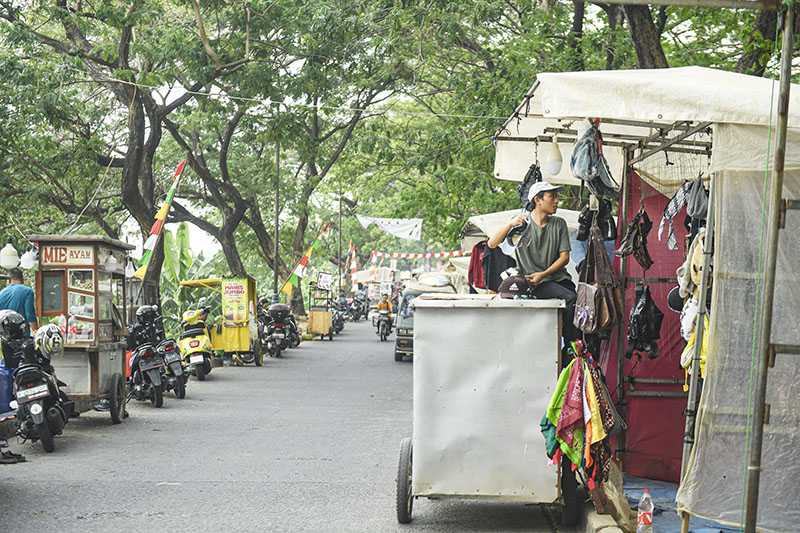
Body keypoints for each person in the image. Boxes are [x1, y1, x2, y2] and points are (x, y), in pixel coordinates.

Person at [488, 181, 577, 340]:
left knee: (576, 301)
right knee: (571, 298)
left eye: (557, 196)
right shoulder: (522, 225)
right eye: (552, 196)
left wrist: (543, 274)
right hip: (533, 283)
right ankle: (571, 349)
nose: (557, 200)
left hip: (557, 279)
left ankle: (572, 348)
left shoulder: (559, 224)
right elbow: (492, 243)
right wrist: (510, 224)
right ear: (538, 200)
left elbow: (564, 258)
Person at [0, 268, 37, 334]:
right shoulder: (27, 291)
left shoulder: (1, 293)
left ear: (9, 280)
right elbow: (30, 315)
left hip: (5, 336)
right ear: (22, 279)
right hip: (21, 336)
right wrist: (36, 332)